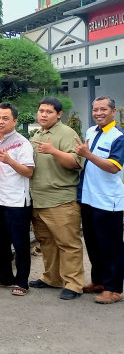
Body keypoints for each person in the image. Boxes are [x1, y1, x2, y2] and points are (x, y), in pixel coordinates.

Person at [29, 96, 85, 300]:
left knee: (68, 244)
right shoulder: (38, 133)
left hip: (61, 199)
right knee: (47, 242)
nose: (43, 114)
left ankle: (74, 283)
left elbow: (75, 162)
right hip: (39, 199)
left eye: (49, 112)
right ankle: (52, 277)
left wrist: (53, 151)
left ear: (59, 114)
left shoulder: (66, 133)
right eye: (41, 110)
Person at [75, 96, 124, 304]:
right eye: (95, 110)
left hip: (108, 201)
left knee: (111, 246)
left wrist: (87, 154)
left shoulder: (118, 136)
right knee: (93, 244)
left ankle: (114, 289)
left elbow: (113, 167)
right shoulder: (91, 132)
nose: (98, 113)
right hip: (88, 198)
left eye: (103, 109)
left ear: (113, 111)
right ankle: (99, 282)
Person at [0, 103, 34, 297]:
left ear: (15, 120)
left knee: (20, 243)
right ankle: (5, 276)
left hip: (16, 201)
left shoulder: (23, 143)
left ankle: (22, 281)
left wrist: (10, 161)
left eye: (5, 118)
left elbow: (29, 171)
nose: (0, 121)